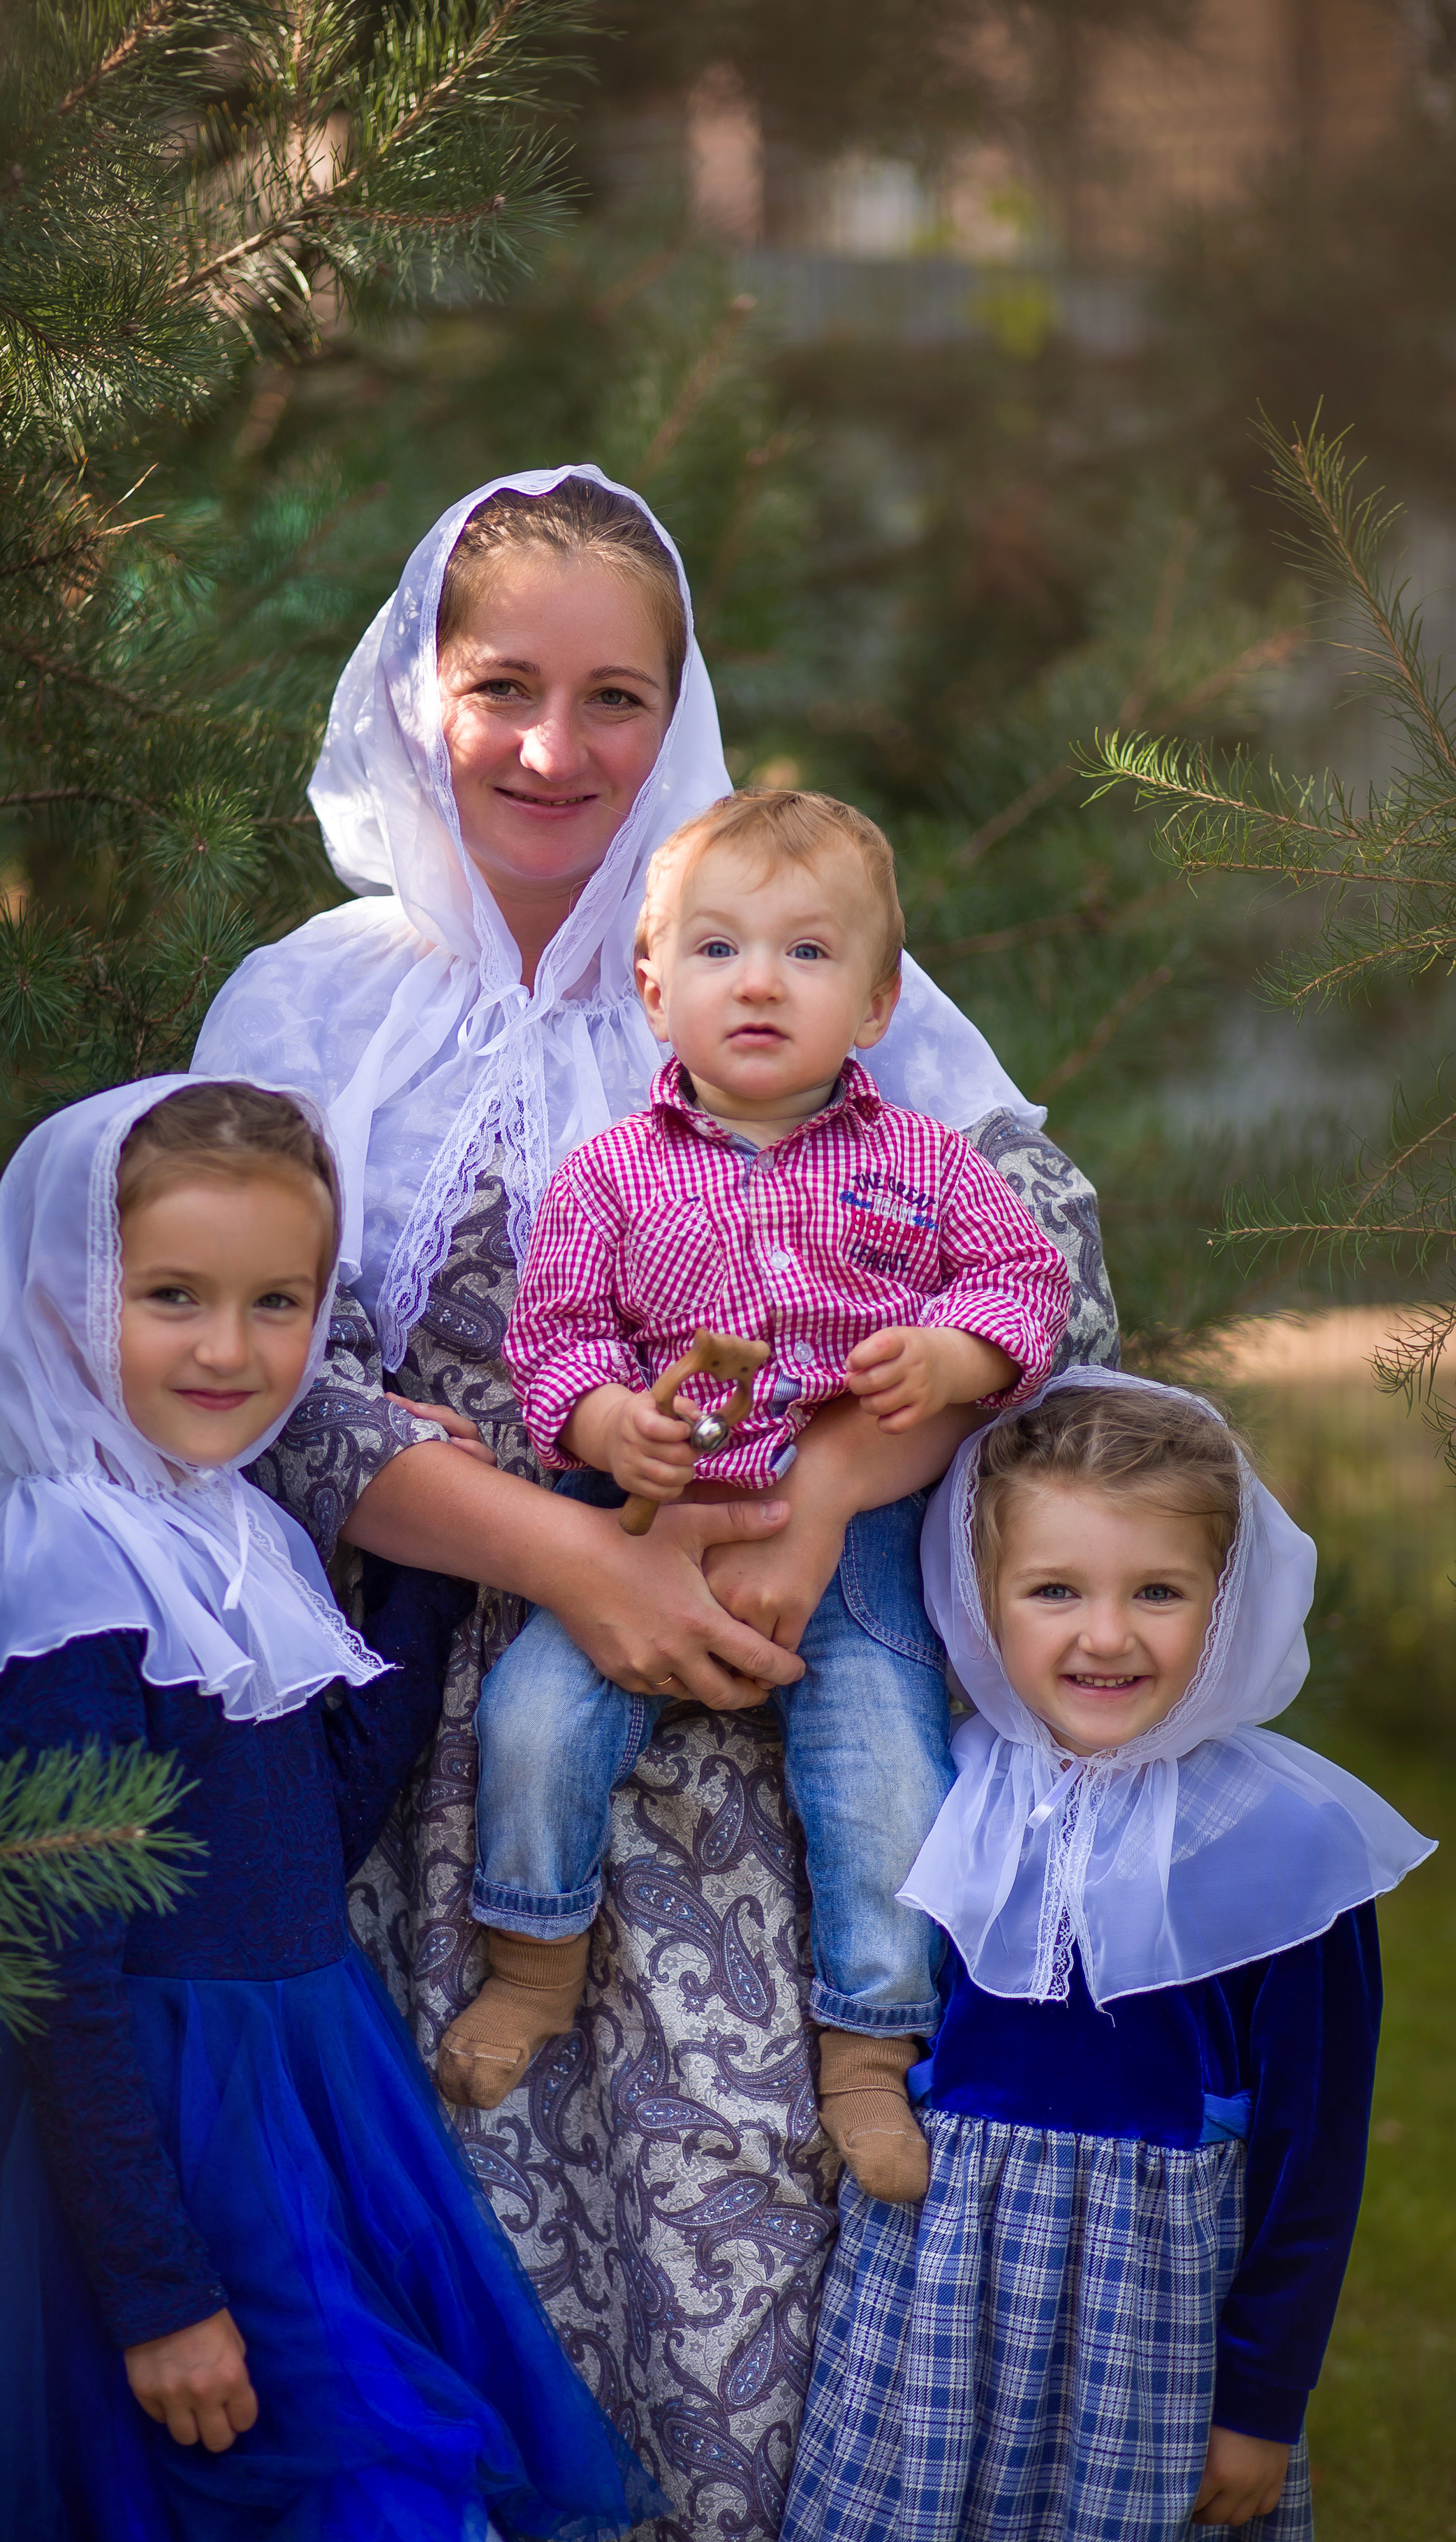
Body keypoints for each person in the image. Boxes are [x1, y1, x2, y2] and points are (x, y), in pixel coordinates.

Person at [191, 466, 1122, 2533]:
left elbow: (1054, 1258)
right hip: (428, 1718)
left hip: (759, 1734)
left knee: (743, 2244)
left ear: (679, 711)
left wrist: (835, 1496)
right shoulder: (312, 1006)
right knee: (445, 2288)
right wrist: (564, 1556)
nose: (551, 746)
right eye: (501, 683)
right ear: (413, 687)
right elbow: (235, 1385)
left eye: (616, 695)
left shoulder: (763, 948)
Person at [0, 1078, 659, 2542]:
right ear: (58, 1300)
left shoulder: (228, 1526)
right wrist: (159, 2294)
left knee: (355, 2473)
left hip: (304, 2085)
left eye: (277, 1302)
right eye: (171, 1296)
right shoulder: (62, 1579)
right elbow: (58, 1977)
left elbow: (310, 1829)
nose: (230, 1350)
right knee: (335, 2481)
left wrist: (423, 1558)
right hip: (154, 2117)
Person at [446, 789, 1069, 2208]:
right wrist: (612, 1423)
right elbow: (556, 1343)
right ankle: (532, 1958)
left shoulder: (922, 1163)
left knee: (888, 1778)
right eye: (718, 950)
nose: (759, 983)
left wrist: (952, 1346)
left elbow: (1022, 1281)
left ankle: (865, 2042)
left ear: (873, 1002)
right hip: (650, 1521)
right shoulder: (607, 1176)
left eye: (805, 953)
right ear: (652, 988)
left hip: (851, 1541)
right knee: (533, 1718)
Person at [782, 1371, 1436, 2542]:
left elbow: (1315, 2157)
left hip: (1151, 2324)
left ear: (1226, 1602)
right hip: (940, 2293)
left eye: (1158, 1591)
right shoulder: (954, 1786)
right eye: (1053, 1590)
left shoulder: (1286, 1847)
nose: (1104, 1635)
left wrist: (1262, 2404)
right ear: (983, 1600)